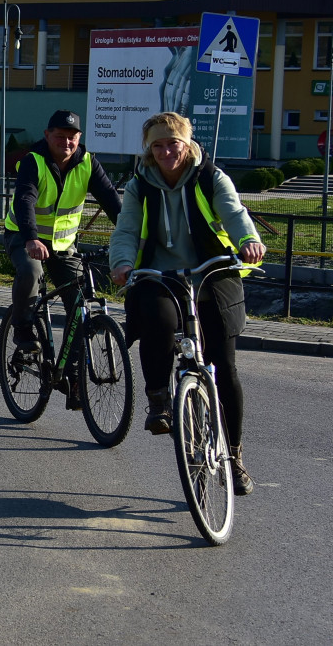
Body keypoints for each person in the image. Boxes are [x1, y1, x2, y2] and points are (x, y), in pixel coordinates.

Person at [109, 112, 266, 495]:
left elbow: (233, 211)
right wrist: (123, 262)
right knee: (157, 319)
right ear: (149, 149)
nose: (166, 152)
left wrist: (248, 240)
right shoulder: (139, 185)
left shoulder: (210, 176)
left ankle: (234, 454)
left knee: (224, 367)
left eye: (173, 143)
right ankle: (159, 401)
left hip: (212, 273)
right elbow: (127, 228)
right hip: (160, 274)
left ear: (186, 143)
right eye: (157, 145)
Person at [4, 110, 122, 409]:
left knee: (78, 303)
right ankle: (22, 328)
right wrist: (31, 238)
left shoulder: (87, 163)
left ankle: (71, 376)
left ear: (79, 138)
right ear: (47, 136)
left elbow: (110, 199)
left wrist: (131, 237)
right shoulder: (34, 161)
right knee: (31, 273)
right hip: (24, 236)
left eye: (72, 138)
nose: (66, 143)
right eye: (60, 137)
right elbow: (25, 199)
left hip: (63, 245)